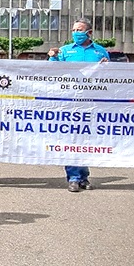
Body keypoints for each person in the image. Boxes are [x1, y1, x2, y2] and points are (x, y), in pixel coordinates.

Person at [48, 17, 109, 192]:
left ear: (89, 33)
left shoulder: (100, 52)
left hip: (92, 101)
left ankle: (84, 176)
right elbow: (52, 73)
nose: (75, 33)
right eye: (74, 30)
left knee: (86, 139)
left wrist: (107, 67)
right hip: (70, 101)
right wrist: (52, 58)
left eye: (79, 30)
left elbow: (110, 76)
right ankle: (73, 177)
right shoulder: (65, 51)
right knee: (71, 138)